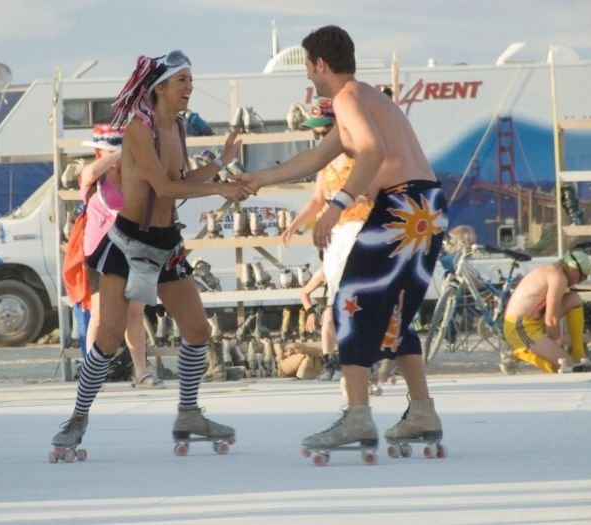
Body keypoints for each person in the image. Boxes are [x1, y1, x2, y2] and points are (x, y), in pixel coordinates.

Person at [232, 25, 449, 456]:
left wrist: (336, 207)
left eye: (309, 69)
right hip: (425, 208)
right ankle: (422, 412)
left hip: (404, 208)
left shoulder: (348, 97)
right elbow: (316, 157)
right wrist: (258, 178)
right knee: (393, 314)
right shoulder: (366, 97)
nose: (308, 78)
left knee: (350, 303)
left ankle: (357, 416)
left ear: (321, 64)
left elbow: (370, 152)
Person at [50, 50, 252, 458]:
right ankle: (76, 418)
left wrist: (222, 164)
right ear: (160, 88)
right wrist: (220, 187)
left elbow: (182, 179)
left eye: (191, 80)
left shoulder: (176, 127)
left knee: (198, 331)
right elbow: (163, 188)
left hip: (166, 246)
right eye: (183, 81)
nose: (190, 88)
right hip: (128, 244)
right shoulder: (139, 131)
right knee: (108, 339)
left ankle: (189, 414)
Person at [282, 98, 372, 382]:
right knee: (336, 303)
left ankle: (361, 358)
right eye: (316, 133)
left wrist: (356, 197)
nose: (319, 137)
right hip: (337, 234)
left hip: (359, 228)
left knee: (352, 301)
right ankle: (336, 359)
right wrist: (295, 225)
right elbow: (317, 198)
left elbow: (373, 190)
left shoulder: (357, 154)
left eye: (324, 131)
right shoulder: (325, 165)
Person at [79, 124, 164, 388]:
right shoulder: (94, 177)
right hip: (100, 253)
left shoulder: (135, 175)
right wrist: (119, 153)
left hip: (135, 252)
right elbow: (90, 172)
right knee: (101, 315)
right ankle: (92, 372)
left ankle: (141, 371)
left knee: (135, 314)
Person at [503, 249, 591, 373]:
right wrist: (557, 343)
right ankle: (517, 352)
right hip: (519, 326)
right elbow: (551, 318)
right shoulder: (558, 277)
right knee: (565, 366)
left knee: (574, 299)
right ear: (574, 270)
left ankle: (578, 353)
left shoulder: (553, 271)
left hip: (531, 320)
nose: (578, 282)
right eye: (581, 278)